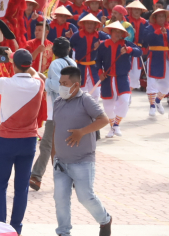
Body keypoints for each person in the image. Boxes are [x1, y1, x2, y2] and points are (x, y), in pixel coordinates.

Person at [0, 48, 45, 234]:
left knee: (0, 186)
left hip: (6, 141)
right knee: (21, 189)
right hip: (28, 142)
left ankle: (0, 228)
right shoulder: (38, 84)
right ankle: (16, 229)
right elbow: (35, 73)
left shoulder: (5, 83)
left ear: (13, 65)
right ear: (29, 65)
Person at [51, 66, 112, 236]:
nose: (61, 86)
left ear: (76, 85)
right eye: (60, 83)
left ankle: (105, 220)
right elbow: (56, 129)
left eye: (65, 83)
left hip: (82, 161)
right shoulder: (58, 102)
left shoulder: (85, 100)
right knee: (60, 200)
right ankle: (63, 232)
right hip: (60, 163)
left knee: (85, 197)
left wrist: (82, 132)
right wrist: (53, 156)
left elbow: (104, 119)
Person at [30, 37, 76, 191]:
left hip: (56, 110)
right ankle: (66, 176)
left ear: (54, 51)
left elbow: (58, 86)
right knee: (61, 146)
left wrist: (44, 81)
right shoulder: (72, 63)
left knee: (48, 144)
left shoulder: (56, 64)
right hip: (70, 109)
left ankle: (37, 176)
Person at [96, 21, 141, 137]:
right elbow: (97, 61)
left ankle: (116, 124)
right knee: (108, 105)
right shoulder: (103, 45)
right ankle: (112, 126)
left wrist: (129, 50)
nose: (118, 33)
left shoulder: (126, 44)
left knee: (125, 100)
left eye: (120, 31)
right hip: (107, 79)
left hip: (122, 78)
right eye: (116, 31)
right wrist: (100, 72)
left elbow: (139, 52)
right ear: (111, 32)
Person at [141, 7, 169, 116]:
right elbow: (145, 40)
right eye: (159, 16)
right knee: (151, 82)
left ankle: (157, 101)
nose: (161, 18)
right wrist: (157, 32)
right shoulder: (149, 28)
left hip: (166, 57)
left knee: (166, 85)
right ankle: (152, 105)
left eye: (163, 16)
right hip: (154, 57)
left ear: (166, 17)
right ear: (155, 18)